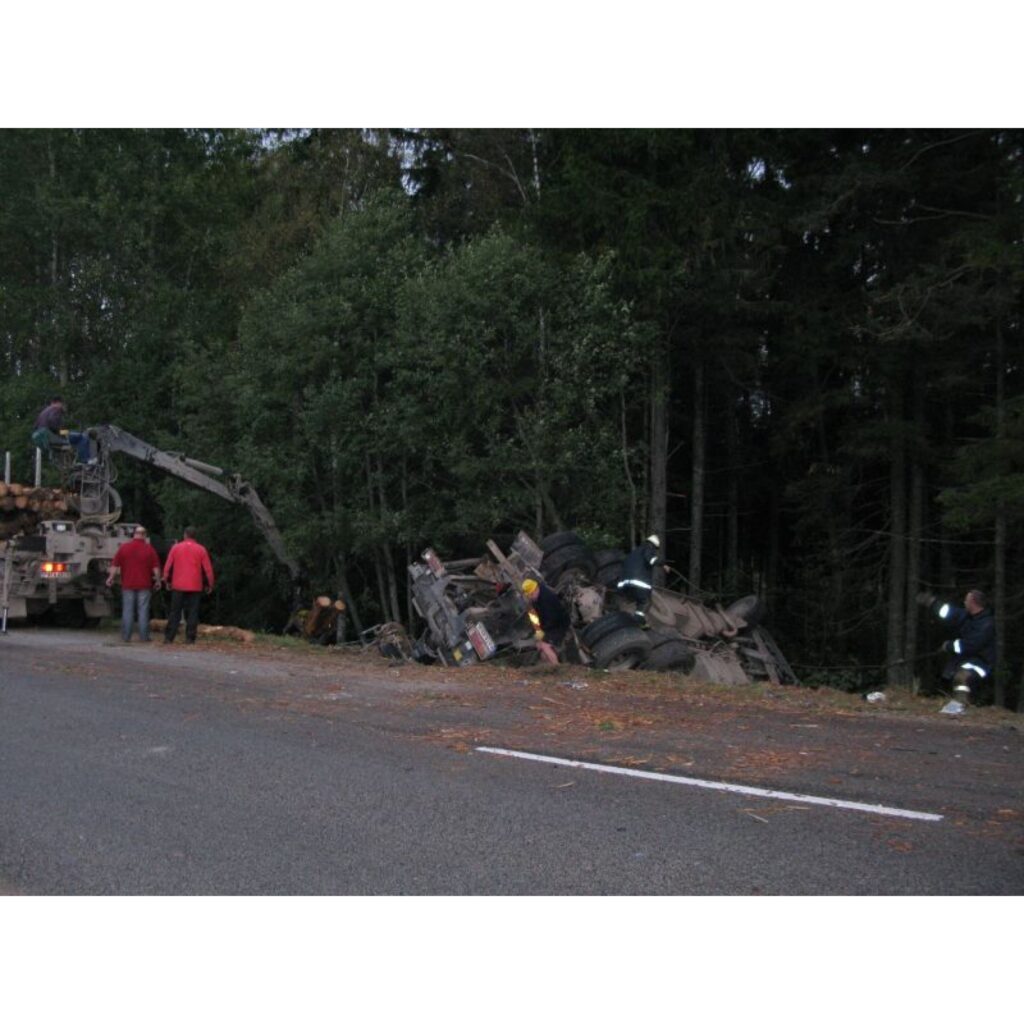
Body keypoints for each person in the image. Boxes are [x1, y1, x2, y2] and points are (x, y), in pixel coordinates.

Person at [917, 588, 996, 704]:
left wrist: (949, 646)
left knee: (961, 677)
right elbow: (949, 612)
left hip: (980, 662)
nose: (964, 603)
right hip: (964, 660)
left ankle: (960, 705)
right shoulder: (966, 616)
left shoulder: (986, 624)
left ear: (973, 603)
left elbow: (971, 645)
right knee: (949, 677)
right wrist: (933, 603)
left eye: (966, 600)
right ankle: (956, 704)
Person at [105, 525, 162, 642]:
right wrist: (157, 580)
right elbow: (156, 568)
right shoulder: (149, 549)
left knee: (127, 610)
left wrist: (110, 577)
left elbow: (115, 565)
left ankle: (126, 636)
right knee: (143, 611)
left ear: (134, 534)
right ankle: (144, 637)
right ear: (144, 535)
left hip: (128, 584)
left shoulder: (124, 548)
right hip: (144, 585)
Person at [162, 526, 215, 645]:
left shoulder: (176, 548)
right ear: (195, 536)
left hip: (178, 585)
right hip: (195, 585)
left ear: (185, 535)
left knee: (175, 612)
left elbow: (168, 566)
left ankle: (169, 637)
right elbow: (208, 569)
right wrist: (210, 584)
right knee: (193, 612)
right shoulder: (201, 549)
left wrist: (166, 580)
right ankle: (190, 638)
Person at [521, 577, 571, 666]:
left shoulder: (547, 599)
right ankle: (548, 665)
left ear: (536, 590)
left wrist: (542, 634)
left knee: (543, 645)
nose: (530, 597)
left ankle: (558, 668)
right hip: (548, 623)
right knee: (540, 647)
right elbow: (533, 614)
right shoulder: (535, 597)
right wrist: (537, 630)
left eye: (531, 595)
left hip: (559, 625)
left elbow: (552, 620)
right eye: (528, 595)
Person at [616, 534, 663, 627]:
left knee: (637, 600)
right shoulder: (648, 549)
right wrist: (662, 563)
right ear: (654, 545)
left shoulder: (634, 552)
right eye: (656, 548)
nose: (655, 551)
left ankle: (630, 620)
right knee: (646, 602)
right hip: (638, 582)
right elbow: (651, 560)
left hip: (623, 584)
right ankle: (637, 622)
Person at [31, 396, 92, 463]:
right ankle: (86, 461)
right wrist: (61, 432)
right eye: (63, 404)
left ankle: (65, 457)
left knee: (70, 434)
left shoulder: (43, 412)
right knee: (82, 437)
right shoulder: (56, 409)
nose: (64, 407)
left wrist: (65, 432)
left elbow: (35, 427)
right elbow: (53, 423)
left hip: (38, 437)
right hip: (50, 434)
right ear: (59, 403)